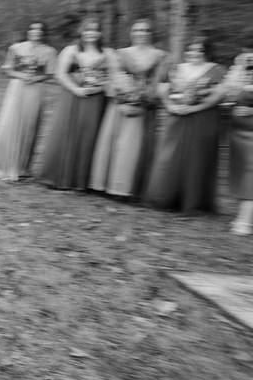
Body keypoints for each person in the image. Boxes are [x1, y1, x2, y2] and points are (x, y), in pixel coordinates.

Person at [142, 38, 225, 213]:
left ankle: (193, 200)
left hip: (203, 119)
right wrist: (171, 106)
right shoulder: (177, 68)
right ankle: (165, 197)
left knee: (197, 157)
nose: (194, 53)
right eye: (190, 50)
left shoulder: (216, 70)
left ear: (206, 52)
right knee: (169, 156)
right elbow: (163, 89)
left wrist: (195, 107)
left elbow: (218, 95)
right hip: (176, 118)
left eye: (199, 50)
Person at [88, 19, 168, 200]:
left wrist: (141, 101)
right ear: (131, 33)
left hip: (143, 107)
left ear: (151, 33)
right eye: (137, 30)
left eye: (145, 30)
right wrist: (122, 100)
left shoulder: (160, 55)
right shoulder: (120, 54)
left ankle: (125, 188)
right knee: (114, 143)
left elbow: (158, 81)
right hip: (119, 105)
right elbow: (114, 76)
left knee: (131, 146)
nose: (141, 33)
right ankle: (103, 184)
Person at [37, 17, 110, 190]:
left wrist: (99, 88)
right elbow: (60, 74)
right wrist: (76, 89)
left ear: (100, 33)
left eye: (94, 30)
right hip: (72, 97)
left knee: (90, 135)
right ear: (81, 32)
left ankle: (83, 180)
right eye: (87, 30)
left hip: (97, 99)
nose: (91, 33)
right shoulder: (71, 50)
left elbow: (112, 76)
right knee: (67, 133)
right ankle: (59, 176)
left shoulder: (107, 53)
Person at [0, 21, 57, 181]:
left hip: (36, 89)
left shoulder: (50, 51)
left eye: (40, 30)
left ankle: (22, 166)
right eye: (32, 28)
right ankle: (2, 164)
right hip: (17, 88)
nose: (36, 32)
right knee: (10, 122)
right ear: (28, 31)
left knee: (29, 123)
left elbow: (50, 74)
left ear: (44, 33)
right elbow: (8, 69)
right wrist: (21, 75)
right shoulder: (16, 48)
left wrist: (37, 77)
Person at [219, 38, 253, 234]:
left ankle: (244, 221)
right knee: (241, 173)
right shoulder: (240, 69)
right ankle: (243, 215)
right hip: (238, 133)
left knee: (250, 173)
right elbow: (230, 94)